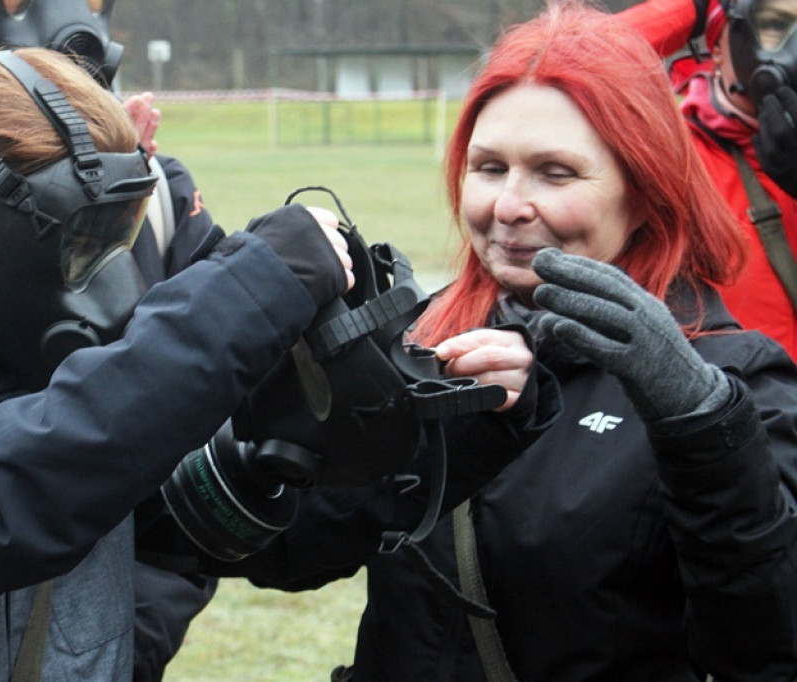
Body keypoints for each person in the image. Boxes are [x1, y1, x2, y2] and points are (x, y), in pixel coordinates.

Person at [193, 3, 797, 679]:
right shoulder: (425, 337)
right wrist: (286, 403)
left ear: (645, 189)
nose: (508, 206)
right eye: (488, 167)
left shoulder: (732, 385)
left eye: (555, 172)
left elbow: (764, 649)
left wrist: (700, 427)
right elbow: (286, 555)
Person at [0, 46, 357, 680]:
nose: (109, 280)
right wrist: (246, 293)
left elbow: (191, 515)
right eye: (81, 241)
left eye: (117, 237)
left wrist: (378, 452)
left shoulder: (10, 351)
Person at [618, 0, 797, 359]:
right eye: (773, 25)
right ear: (717, 47)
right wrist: (689, 9)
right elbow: (553, 64)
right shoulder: (670, 159)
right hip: (735, 390)